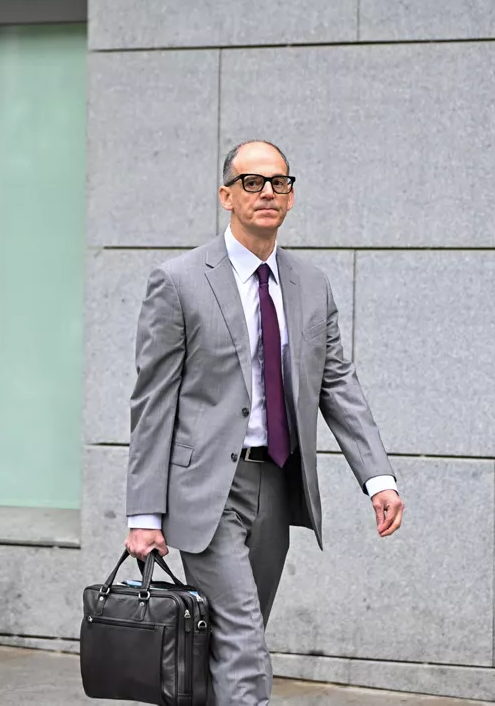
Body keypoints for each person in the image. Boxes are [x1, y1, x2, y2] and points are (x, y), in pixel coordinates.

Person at [123, 140, 405, 705]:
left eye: (279, 182)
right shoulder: (178, 281)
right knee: (245, 646)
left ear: (292, 196)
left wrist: (378, 477)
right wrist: (144, 513)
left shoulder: (311, 284)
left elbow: (337, 383)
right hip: (207, 493)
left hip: (277, 484)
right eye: (251, 182)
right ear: (226, 195)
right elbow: (153, 401)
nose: (267, 192)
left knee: (230, 645)